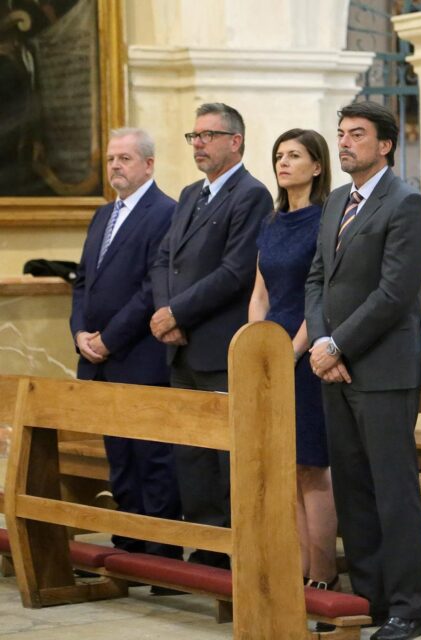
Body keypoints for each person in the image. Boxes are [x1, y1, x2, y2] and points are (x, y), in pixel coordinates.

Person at [304, 101, 421, 640]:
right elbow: (317, 279)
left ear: (384, 144)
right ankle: (371, 596)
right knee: (352, 488)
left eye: (357, 134)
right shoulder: (336, 200)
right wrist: (320, 342)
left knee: (391, 489)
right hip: (335, 365)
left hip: (383, 368)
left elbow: (395, 294)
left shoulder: (407, 204)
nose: (345, 142)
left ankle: (409, 607)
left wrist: (338, 344)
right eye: (341, 133)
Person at [150, 102, 273, 569]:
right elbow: (163, 258)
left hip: (218, 346)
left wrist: (177, 312)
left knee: (226, 456)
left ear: (234, 141)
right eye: (193, 136)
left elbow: (236, 271)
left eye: (207, 135)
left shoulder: (251, 195)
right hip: (180, 346)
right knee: (191, 453)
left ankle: (233, 551)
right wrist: (165, 312)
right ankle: (204, 545)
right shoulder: (188, 194)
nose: (198, 144)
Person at [70, 127, 182, 567]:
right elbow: (83, 283)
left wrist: (109, 339)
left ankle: (160, 554)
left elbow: (150, 291)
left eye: (125, 159)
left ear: (148, 165)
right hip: (98, 360)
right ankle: (130, 546)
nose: (115, 166)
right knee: (119, 458)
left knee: (153, 458)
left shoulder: (165, 212)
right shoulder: (103, 215)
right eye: (112, 159)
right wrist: (80, 334)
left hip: (140, 357)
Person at [248, 128, 338, 590]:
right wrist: (257, 344)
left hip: (307, 348)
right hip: (270, 348)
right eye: (279, 155)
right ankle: (300, 569)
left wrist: (293, 349)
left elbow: (319, 294)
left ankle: (324, 573)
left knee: (311, 464)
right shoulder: (271, 221)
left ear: (317, 166)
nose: (283, 163)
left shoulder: (327, 220)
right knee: (285, 465)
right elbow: (260, 292)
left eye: (295, 156)